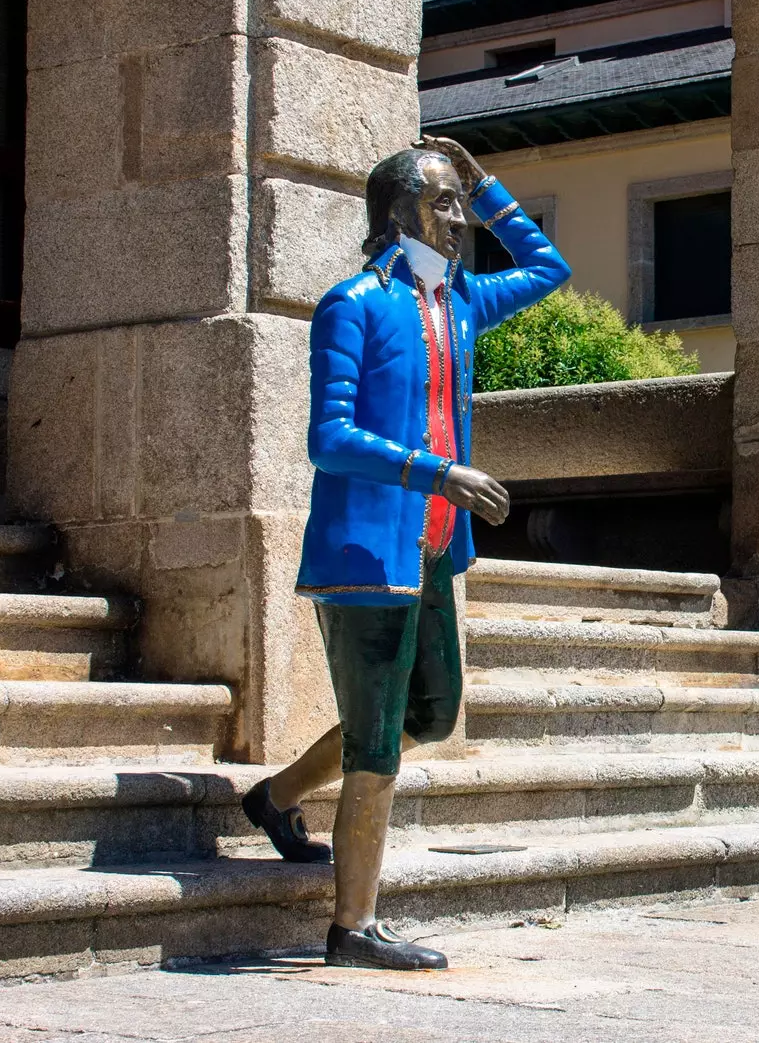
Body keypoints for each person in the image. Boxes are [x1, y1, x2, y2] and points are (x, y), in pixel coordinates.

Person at [238, 135, 569, 970]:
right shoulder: (352, 303)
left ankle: (276, 797)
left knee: (428, 712)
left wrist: (489, 185)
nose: (459, 219)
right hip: (362, 554)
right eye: (445, 201)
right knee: (379, 740)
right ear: (398, 211)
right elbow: (329, 438)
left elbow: (548, 268)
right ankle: (352, 926)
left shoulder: (457, 302)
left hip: (425, 553)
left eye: (461, 203)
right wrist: (439, 472)